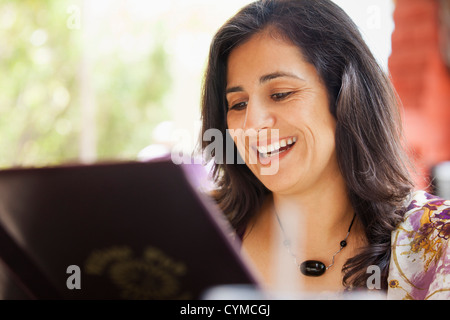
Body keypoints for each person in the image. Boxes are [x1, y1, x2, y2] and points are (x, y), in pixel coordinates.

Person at [199, 0, 450, 299]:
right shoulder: (198, 231)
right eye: (238, 104)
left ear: (345, 96)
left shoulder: (438, 241)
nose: (252, 125)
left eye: (280, 94)